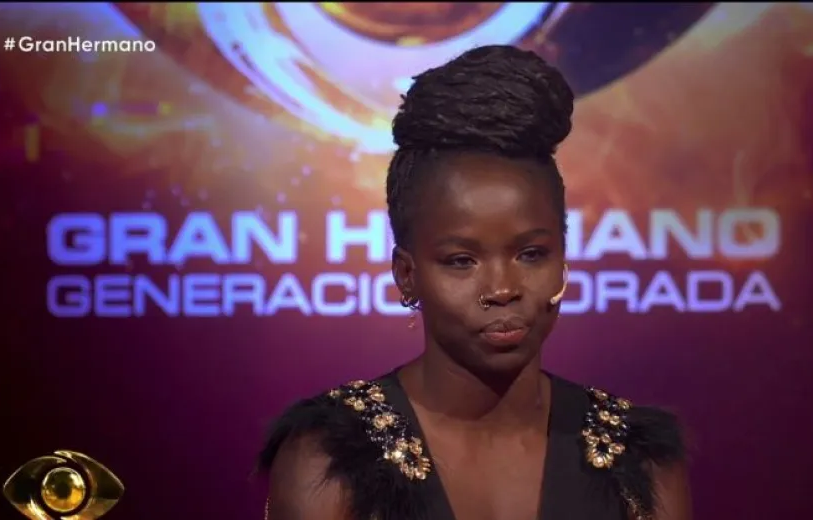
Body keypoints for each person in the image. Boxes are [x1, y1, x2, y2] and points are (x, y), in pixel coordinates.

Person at [258, 45, 690, 520]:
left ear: (563, 258)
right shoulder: (329, 463)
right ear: (407, 274)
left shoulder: (637, 464)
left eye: (531, 254)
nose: (503, 289)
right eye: (462, 261)